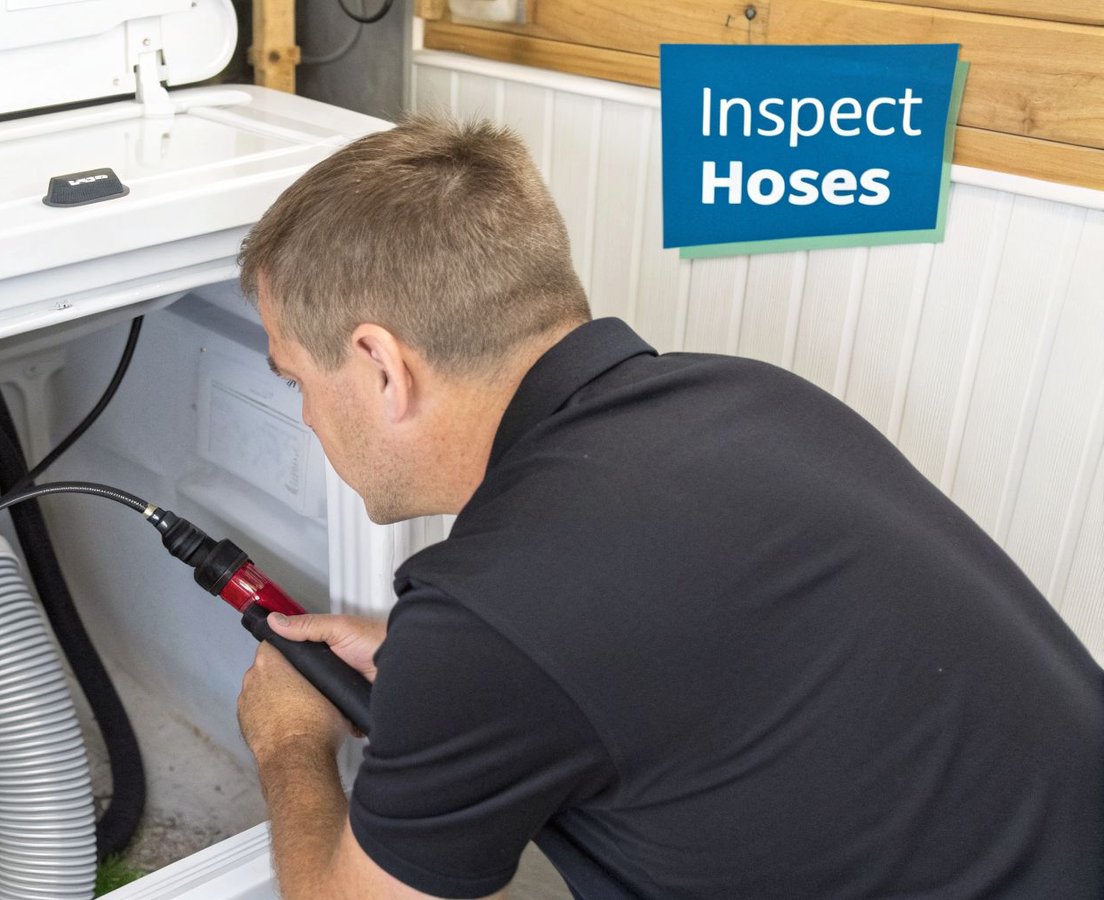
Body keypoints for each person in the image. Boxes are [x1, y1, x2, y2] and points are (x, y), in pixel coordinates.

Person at [232, 116, 1104, 899]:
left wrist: (290, 740)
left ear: (381, 366)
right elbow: (658, 649)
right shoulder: (748, 394)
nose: (306, 415)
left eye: (296, 378)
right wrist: (427, 666)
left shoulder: (495, 610)